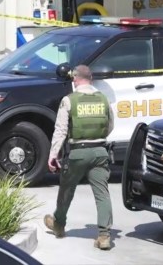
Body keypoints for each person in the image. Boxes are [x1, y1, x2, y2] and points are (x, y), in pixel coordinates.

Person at [44, 65, 115, 250]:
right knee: (102, 193)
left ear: (75, 79)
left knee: (67, 189)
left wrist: (53, 155)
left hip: (78, 152)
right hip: (100, 151)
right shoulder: (103, 99)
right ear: (90, 78)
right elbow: (110, 125)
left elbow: (60, 130)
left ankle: (58, 225)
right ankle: (104, 235)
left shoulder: (69, 100)